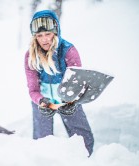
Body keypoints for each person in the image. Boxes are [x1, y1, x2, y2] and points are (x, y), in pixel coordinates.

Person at [24, 10, 94, 156]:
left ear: (55, 32)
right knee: (41, 142)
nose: (44, 40)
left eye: (48, 34)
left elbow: (78, 84)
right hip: (43, 101)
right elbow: (33, 90)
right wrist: (41, 101)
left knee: (83, 140)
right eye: (39, 35)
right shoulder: (31, 56)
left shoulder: (68, 50)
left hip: (68, 100)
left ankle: (86, 161)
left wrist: (71, 101)